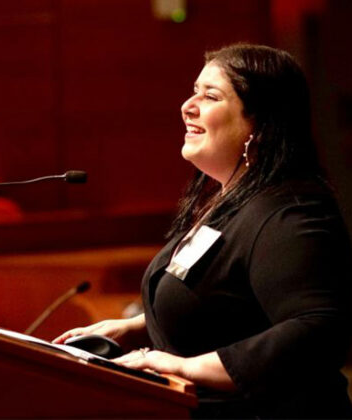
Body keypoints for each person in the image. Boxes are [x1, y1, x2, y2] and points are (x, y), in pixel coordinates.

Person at [53, 44, 352, 418]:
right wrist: (136, 327)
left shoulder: (288, 213)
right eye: (194, 90)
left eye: (210, 95)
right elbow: (228, 302)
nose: (187, 106)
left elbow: (320, 329)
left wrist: (183, 366)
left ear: (258, 123)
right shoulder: (233, 203)